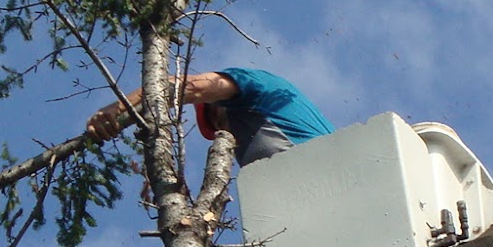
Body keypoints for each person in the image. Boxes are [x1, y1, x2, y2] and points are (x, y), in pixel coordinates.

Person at [86, 67, 332, 167]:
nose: (225, 129)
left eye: (218, 116)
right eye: (217, 128)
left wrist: (117, 110)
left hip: (325, 177)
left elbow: (185, 88)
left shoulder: (258, 85)